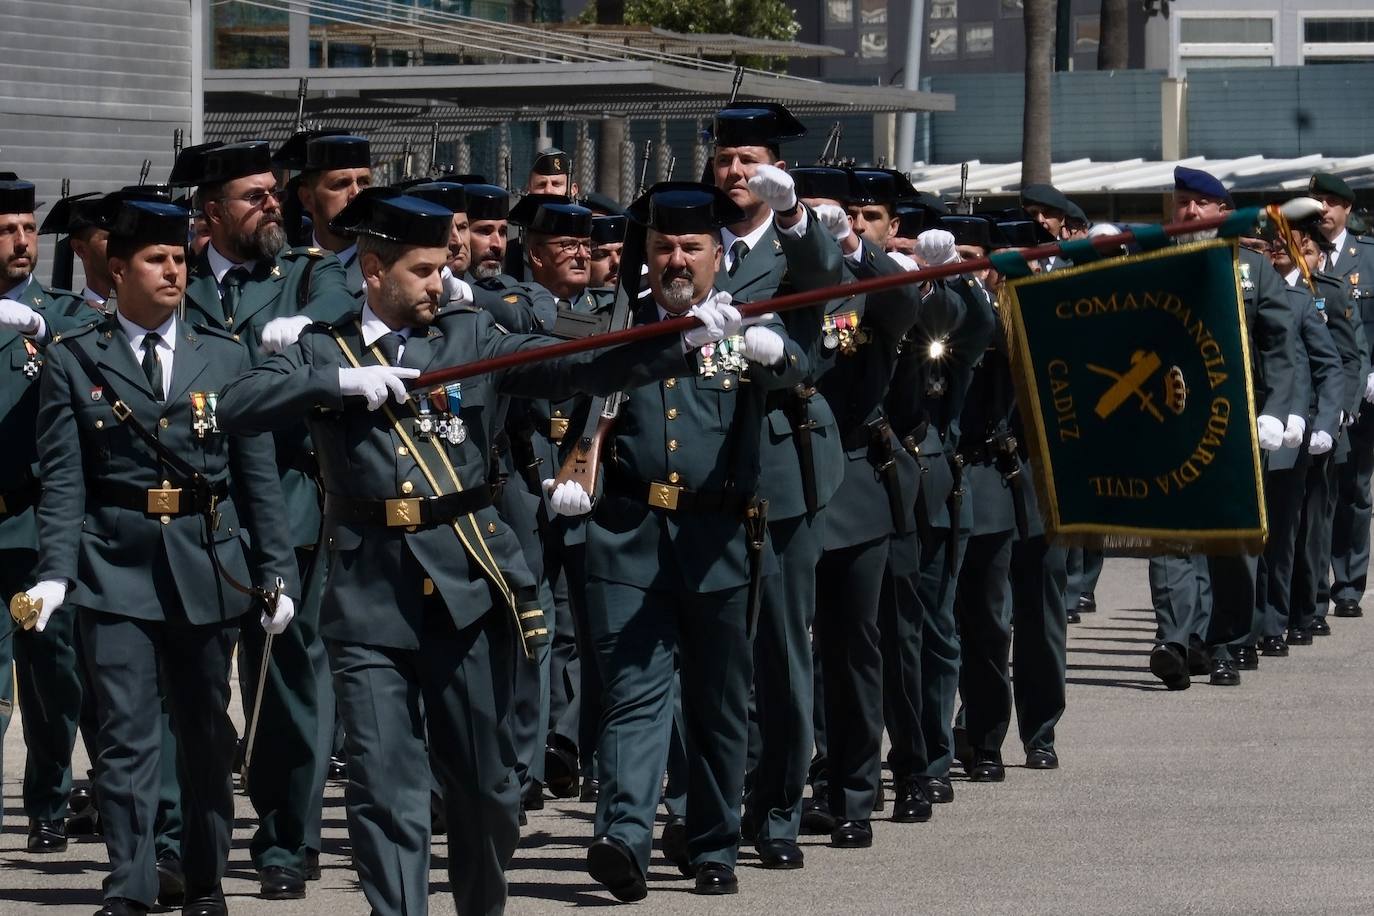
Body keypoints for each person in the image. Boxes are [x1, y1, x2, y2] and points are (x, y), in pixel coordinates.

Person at [216, 189, 738, 916]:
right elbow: (236, 405)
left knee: (486, 791)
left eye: (441, 268)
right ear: (373, 270)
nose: (442, 281)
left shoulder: (470, 337)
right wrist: (333, 384)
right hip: (370, 597)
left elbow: (573, 364)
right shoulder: (322, 346)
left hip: (464, 589)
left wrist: (676, 339)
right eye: (423, 270)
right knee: (385, 784)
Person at [26, 198, 297, 916]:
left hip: (208, 567)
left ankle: (205, 882)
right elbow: (63, 480)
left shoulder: (227, 355)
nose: (174, 270)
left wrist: (277, 572)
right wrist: (56, 570)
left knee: (206, 739)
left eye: (180, 258)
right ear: (117, 270)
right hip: (113, 566)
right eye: (156, 259)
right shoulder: (75, 358)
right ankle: (131, 885)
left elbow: (257, 479)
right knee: (124, 737)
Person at [175, 138, 353, 899]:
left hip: (291, 500)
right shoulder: (175, 281)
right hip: (202, 511)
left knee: (287, 678)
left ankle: (286, 841)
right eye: (254, 197)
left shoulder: (307, 277)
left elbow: (344, 304)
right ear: (210, 213)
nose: (273, 204)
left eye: (275, 192)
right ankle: (189, 834)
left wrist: (303, 335)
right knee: (195, 687)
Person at [707, 103, 843, 866]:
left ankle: (781, 809)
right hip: (698, 462)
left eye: (749, 159)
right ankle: (711, 804)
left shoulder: (794, 242)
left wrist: (795, 217)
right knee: (714, 653)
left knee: (783, 653)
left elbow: (827, 283)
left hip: (781, 459)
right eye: (725, 159)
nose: (734, 173)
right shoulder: (686, 234)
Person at [0, 176, 100, 857]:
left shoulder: (56, 314)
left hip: (32, 529)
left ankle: (48, 799)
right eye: (6, 230)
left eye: (28, 230)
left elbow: (98, 345)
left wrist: (42, 326)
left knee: (50, 680)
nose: (20, 242)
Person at [1312, 172, 1374, 621]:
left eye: (1333, 202)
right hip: (1311, 391)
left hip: (1361, 390)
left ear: (1348, 209)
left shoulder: (1367, 256)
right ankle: (1311, 585)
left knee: (1354, 489)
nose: (1325, 210)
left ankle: (1348, 584)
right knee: (1314, 494)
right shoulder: (1296, 251)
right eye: (1318, 201)